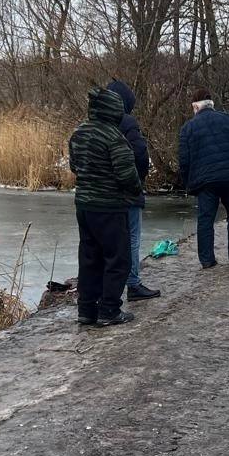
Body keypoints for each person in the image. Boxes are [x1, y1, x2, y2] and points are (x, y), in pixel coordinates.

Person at [68, 87, 143, 327]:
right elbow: (127, 175)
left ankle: (86, 310)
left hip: (84, 205)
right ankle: (109, 310)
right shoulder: (113, 136)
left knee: (89, 258)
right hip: (110, 206)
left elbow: (74, 166)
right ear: (114, 111)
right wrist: (134, 191)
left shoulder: (78, 133)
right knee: (118, 259)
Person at [178, 88, 229, 269]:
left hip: (205, 182)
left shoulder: (188, 128)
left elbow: (184, 160)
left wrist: (188, 183)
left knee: (205, 220)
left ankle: (207, 260)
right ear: (212, 105)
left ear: (195, 107)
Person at [106, 79, 160, 302]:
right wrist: (138, 182)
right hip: (128, 192)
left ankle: (108, 288)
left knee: (109, 242)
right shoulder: (127, 122)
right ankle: (133, 284)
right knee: (132, 239)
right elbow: (140, 154)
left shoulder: (97, 122)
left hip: (104, 194)